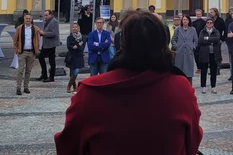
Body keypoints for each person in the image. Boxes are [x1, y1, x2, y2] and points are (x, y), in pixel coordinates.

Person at [54, 10, 203, 155]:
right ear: (162, 43)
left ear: (123, 43)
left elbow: (67, 146)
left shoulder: (90, 92)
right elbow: (192, 143)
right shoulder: (181, 88)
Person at [13, 13, 44, 95]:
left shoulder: (35, 28)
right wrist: (16, 50)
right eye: (26, 18)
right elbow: (15, 40)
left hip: (31, 52)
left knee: (28, 71)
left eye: (29, 18)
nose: (28, 20)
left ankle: (26, 87)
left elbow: (39, 37)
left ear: (31, 19)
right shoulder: (20, 28)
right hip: (22, 52)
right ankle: (18, 88)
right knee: (20, 70)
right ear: (24, 19)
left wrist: (37, 49)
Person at [171, 15, 198, 85]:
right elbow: (173, 39)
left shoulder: (193, 30)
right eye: (184, 19)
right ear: (182, 21)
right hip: (179, 53)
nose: (185, 21)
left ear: (189, 21)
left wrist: (193, 47)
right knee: (179, 71)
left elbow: (196, 40)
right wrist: (176, 46)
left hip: (189, 53)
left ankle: (189, 87)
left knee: (188, 72)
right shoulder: (178, 30)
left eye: (186, 19)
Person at [198, 17, 221, 94]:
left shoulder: (216, 31)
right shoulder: (202, 31)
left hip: (214, 54)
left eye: (211, 22)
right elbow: (201, 40)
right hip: (204, 54)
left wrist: (207, 39)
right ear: (206, 24)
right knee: (204, 71)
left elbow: (217, 39)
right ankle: (203, 86)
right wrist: (211, 41)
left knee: (213, 71)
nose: (209, 24)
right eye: (208, 23)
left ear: (213, 24)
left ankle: (213, 86)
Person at [38, 9, 60, 83]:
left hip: (51, 44)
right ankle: (44, 74)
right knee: (41, 57)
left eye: (46, 15)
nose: (45, 17)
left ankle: (51, 76)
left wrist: (44, 33)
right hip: (46, 44)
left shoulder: (54, 22)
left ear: (51, 15)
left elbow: (54, 33)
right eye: (45, 15)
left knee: (51, 60)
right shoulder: (47, 21)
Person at [65, 22, 85, 94]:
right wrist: (74, 47)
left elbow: (82, 46)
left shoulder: (82, 37)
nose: (74, 28)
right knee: (72, 72)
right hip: (71, 57)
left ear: (78, 28)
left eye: (76, 27)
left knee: (76, 71)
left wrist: (77, 47)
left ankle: (69, 85)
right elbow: (68, 46)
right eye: (73, 27)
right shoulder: (69, 37)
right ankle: (74, 86)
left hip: (79, 56)